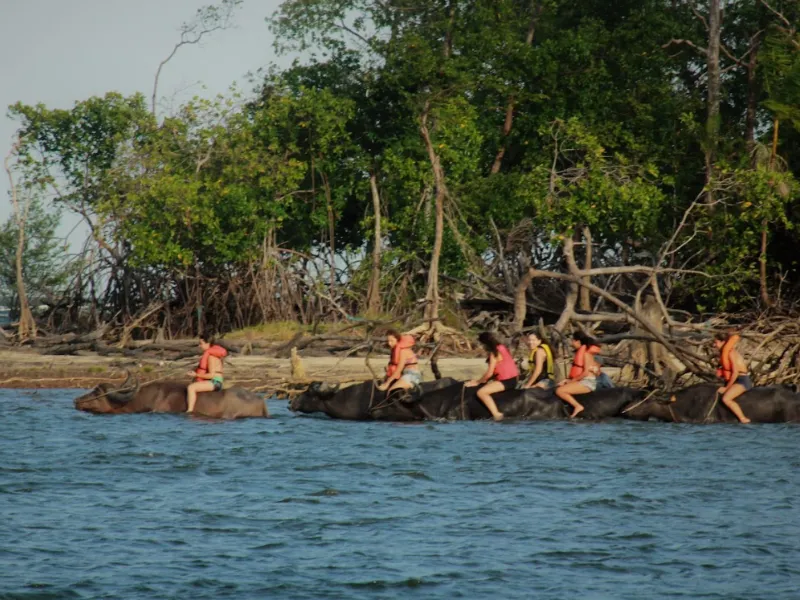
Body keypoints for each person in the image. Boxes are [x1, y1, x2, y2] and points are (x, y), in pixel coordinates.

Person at [465, 331, 519, 421]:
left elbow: (490, 373)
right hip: (513, 378)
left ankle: (497, 414)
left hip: (507, 381)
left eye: (481, 345)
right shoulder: (502, 347)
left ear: (485, 343)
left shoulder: (493, 354)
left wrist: (477, 382)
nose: (481, 347)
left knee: (481, 392)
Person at [555, 331, 602, 418]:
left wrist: (571, 381)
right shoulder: (586, 353)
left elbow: (585, 373)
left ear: (578, 341)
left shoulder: (585, 354)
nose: (572, 343)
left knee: (560, 391)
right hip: (584, 380)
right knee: (560, 385)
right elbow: (597, 371)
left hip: (587, 383)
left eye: (573, 340)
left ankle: (577, 406)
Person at [714, 332, 752, 424]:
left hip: (742, 381)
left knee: (726, 399)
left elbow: (735, 373)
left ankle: (743, 419)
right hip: (734, 380)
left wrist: (727, 388)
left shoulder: (731, 352)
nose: (714, 345)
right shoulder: (724, 353)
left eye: (716, 342)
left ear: (723, 342)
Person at [186, 335, 227, 413]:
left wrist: (196, 375)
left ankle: (190, 411)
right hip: (215, 381)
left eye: (201, 343)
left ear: (208, 344)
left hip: (215, 382)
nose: (199, 345)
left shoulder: (211, 357)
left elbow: (212, 375)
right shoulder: (212, 355)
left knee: (191, 387)